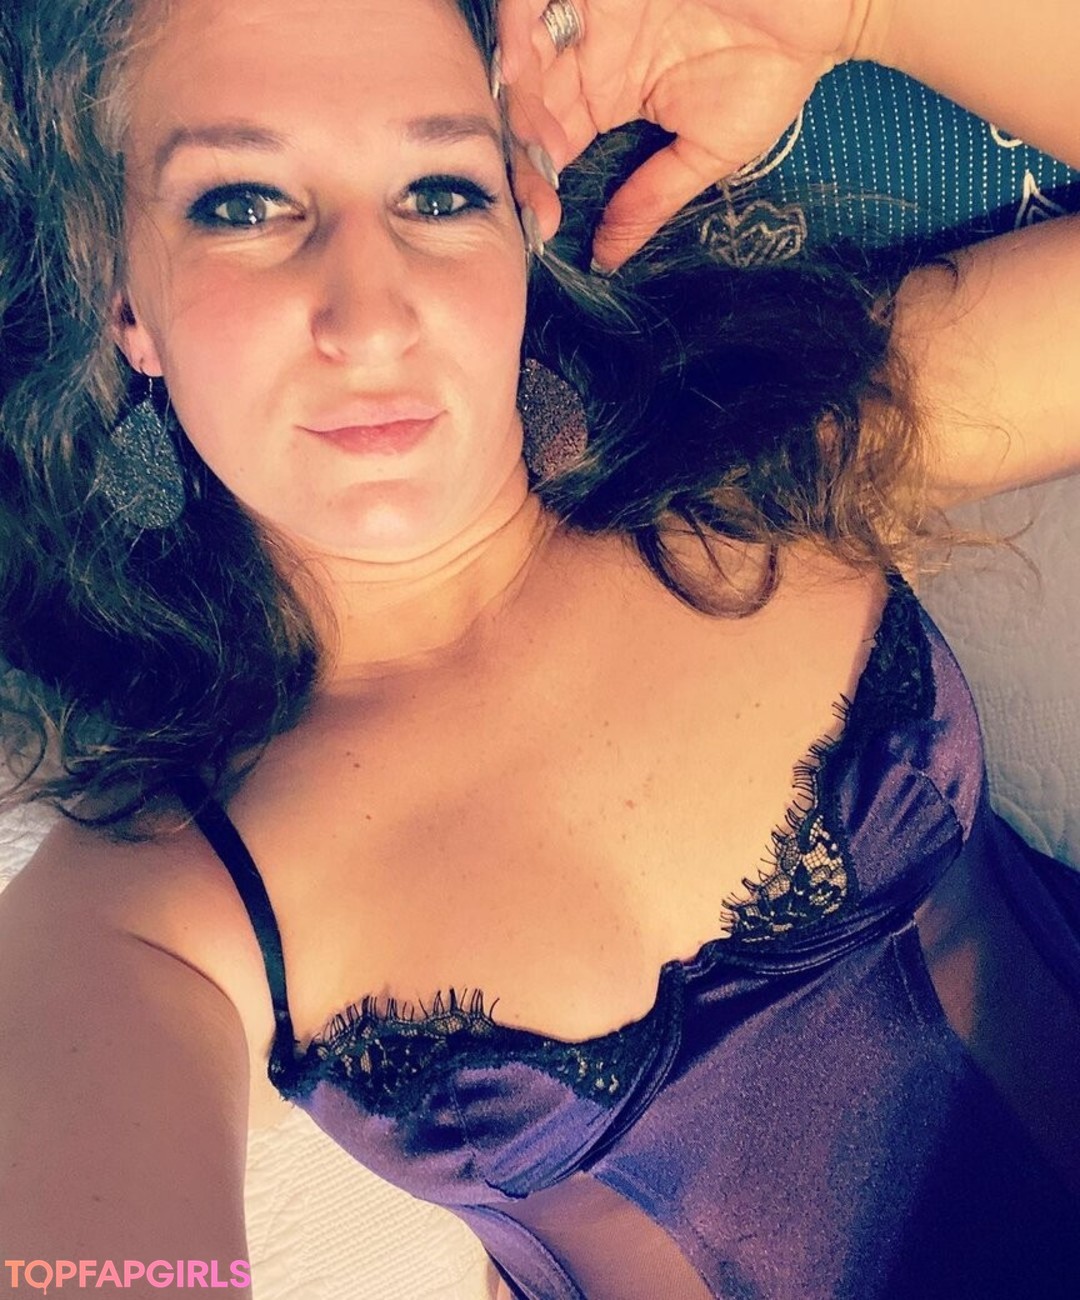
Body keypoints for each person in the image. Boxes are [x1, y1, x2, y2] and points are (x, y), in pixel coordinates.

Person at [0, 0, 1077, 1297]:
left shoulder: (772, 454)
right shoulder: (144, 915)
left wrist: (861, 14)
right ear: (127, 301)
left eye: (438, 189)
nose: (371, 317)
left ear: (520, 219)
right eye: (243, 205)